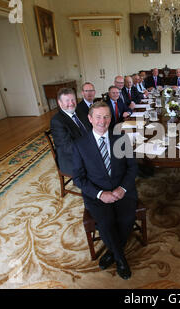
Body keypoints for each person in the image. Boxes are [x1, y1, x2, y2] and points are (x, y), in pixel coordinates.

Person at [72, 101, 138, 280]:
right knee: (106, 222)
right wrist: (100, 194)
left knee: (126, 218)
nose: (103, 121)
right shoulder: (79, 144)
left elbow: (133, 168)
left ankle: (111, 252)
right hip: (96, 194)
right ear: (90, 118)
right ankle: (120, 258)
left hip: (123, 190)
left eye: (106, 116)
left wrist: (123, 188)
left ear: (111, 118)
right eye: (98, 117)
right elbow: (78, 178)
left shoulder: (121, 138)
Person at [50, 87, 92, 176]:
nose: (71, 103)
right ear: (60, 103)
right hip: (72, 159)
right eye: (67, 101)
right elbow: (68, 147)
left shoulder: (80, 112)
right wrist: (90, 150)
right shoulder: (57, 121)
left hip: (87, 149)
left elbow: (90, 129)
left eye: (73, 100)